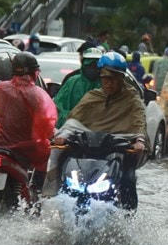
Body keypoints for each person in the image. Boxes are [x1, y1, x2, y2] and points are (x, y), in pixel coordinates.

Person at [54, 52, 146, 209]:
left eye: (113, 79)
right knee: (63, 163)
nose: (109, 83)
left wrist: (139, 141)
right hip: (87, 149)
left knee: (128, 178)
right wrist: (63, 135)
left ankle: (127, 217)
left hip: (118, 150)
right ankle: (56, 200)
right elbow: (74, 121)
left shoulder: (132, 99)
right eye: (105, 79)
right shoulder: (92, 96)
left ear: (121, 79)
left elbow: (138, 123)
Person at [0, 52, 57, 177]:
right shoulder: (38, 95)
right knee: (52, 155)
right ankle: (37, 191)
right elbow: (46, 126)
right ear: (34, 73)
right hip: (26, 148)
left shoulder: (1, 88)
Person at [53, 47, 103, 127]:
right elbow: (58, 108)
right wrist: (71, 119)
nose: (93, 68)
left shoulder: (106, 84)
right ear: (83, 64)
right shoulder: (72, 82)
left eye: (95, 65)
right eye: (89, 65)